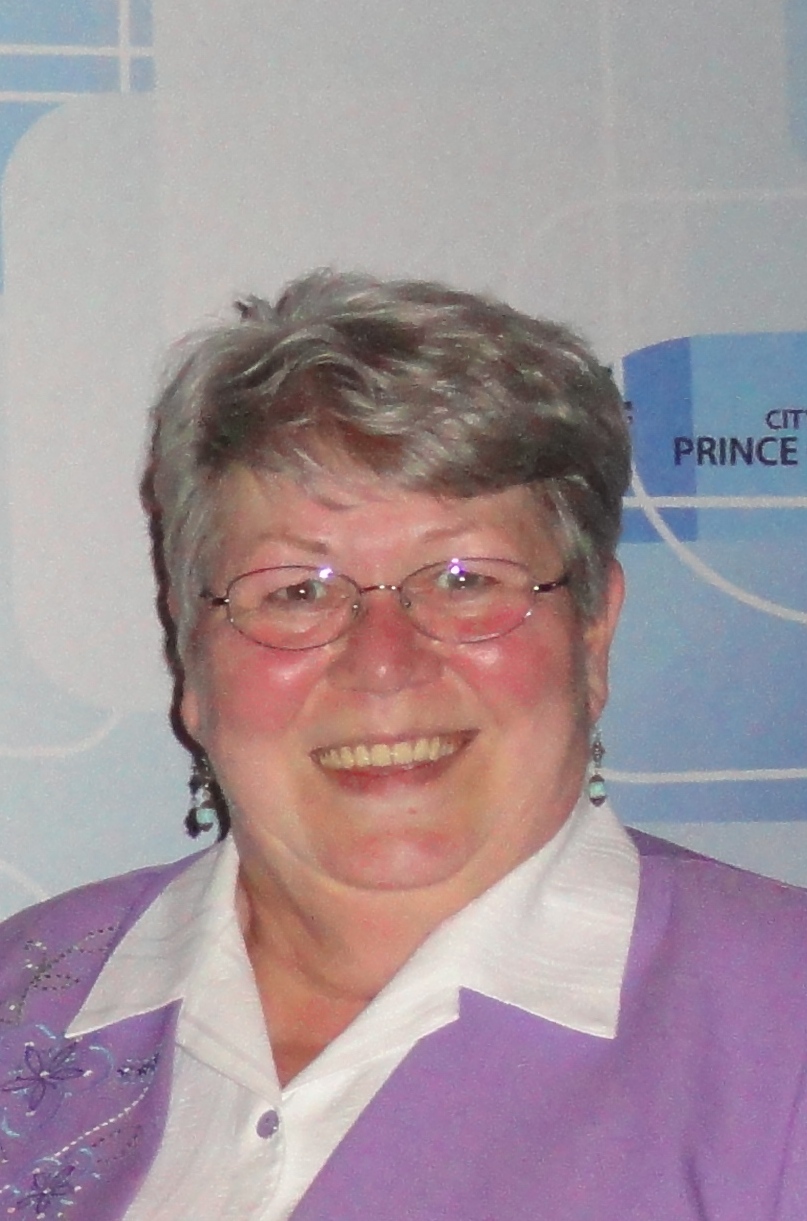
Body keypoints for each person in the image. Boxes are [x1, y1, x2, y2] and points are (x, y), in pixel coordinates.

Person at [1, 271, 806, 1221]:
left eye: (465, 580)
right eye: (296, 591)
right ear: (191, 653)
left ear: (592, 634)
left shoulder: (783, 1025)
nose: (383, 664)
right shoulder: (24, 996)